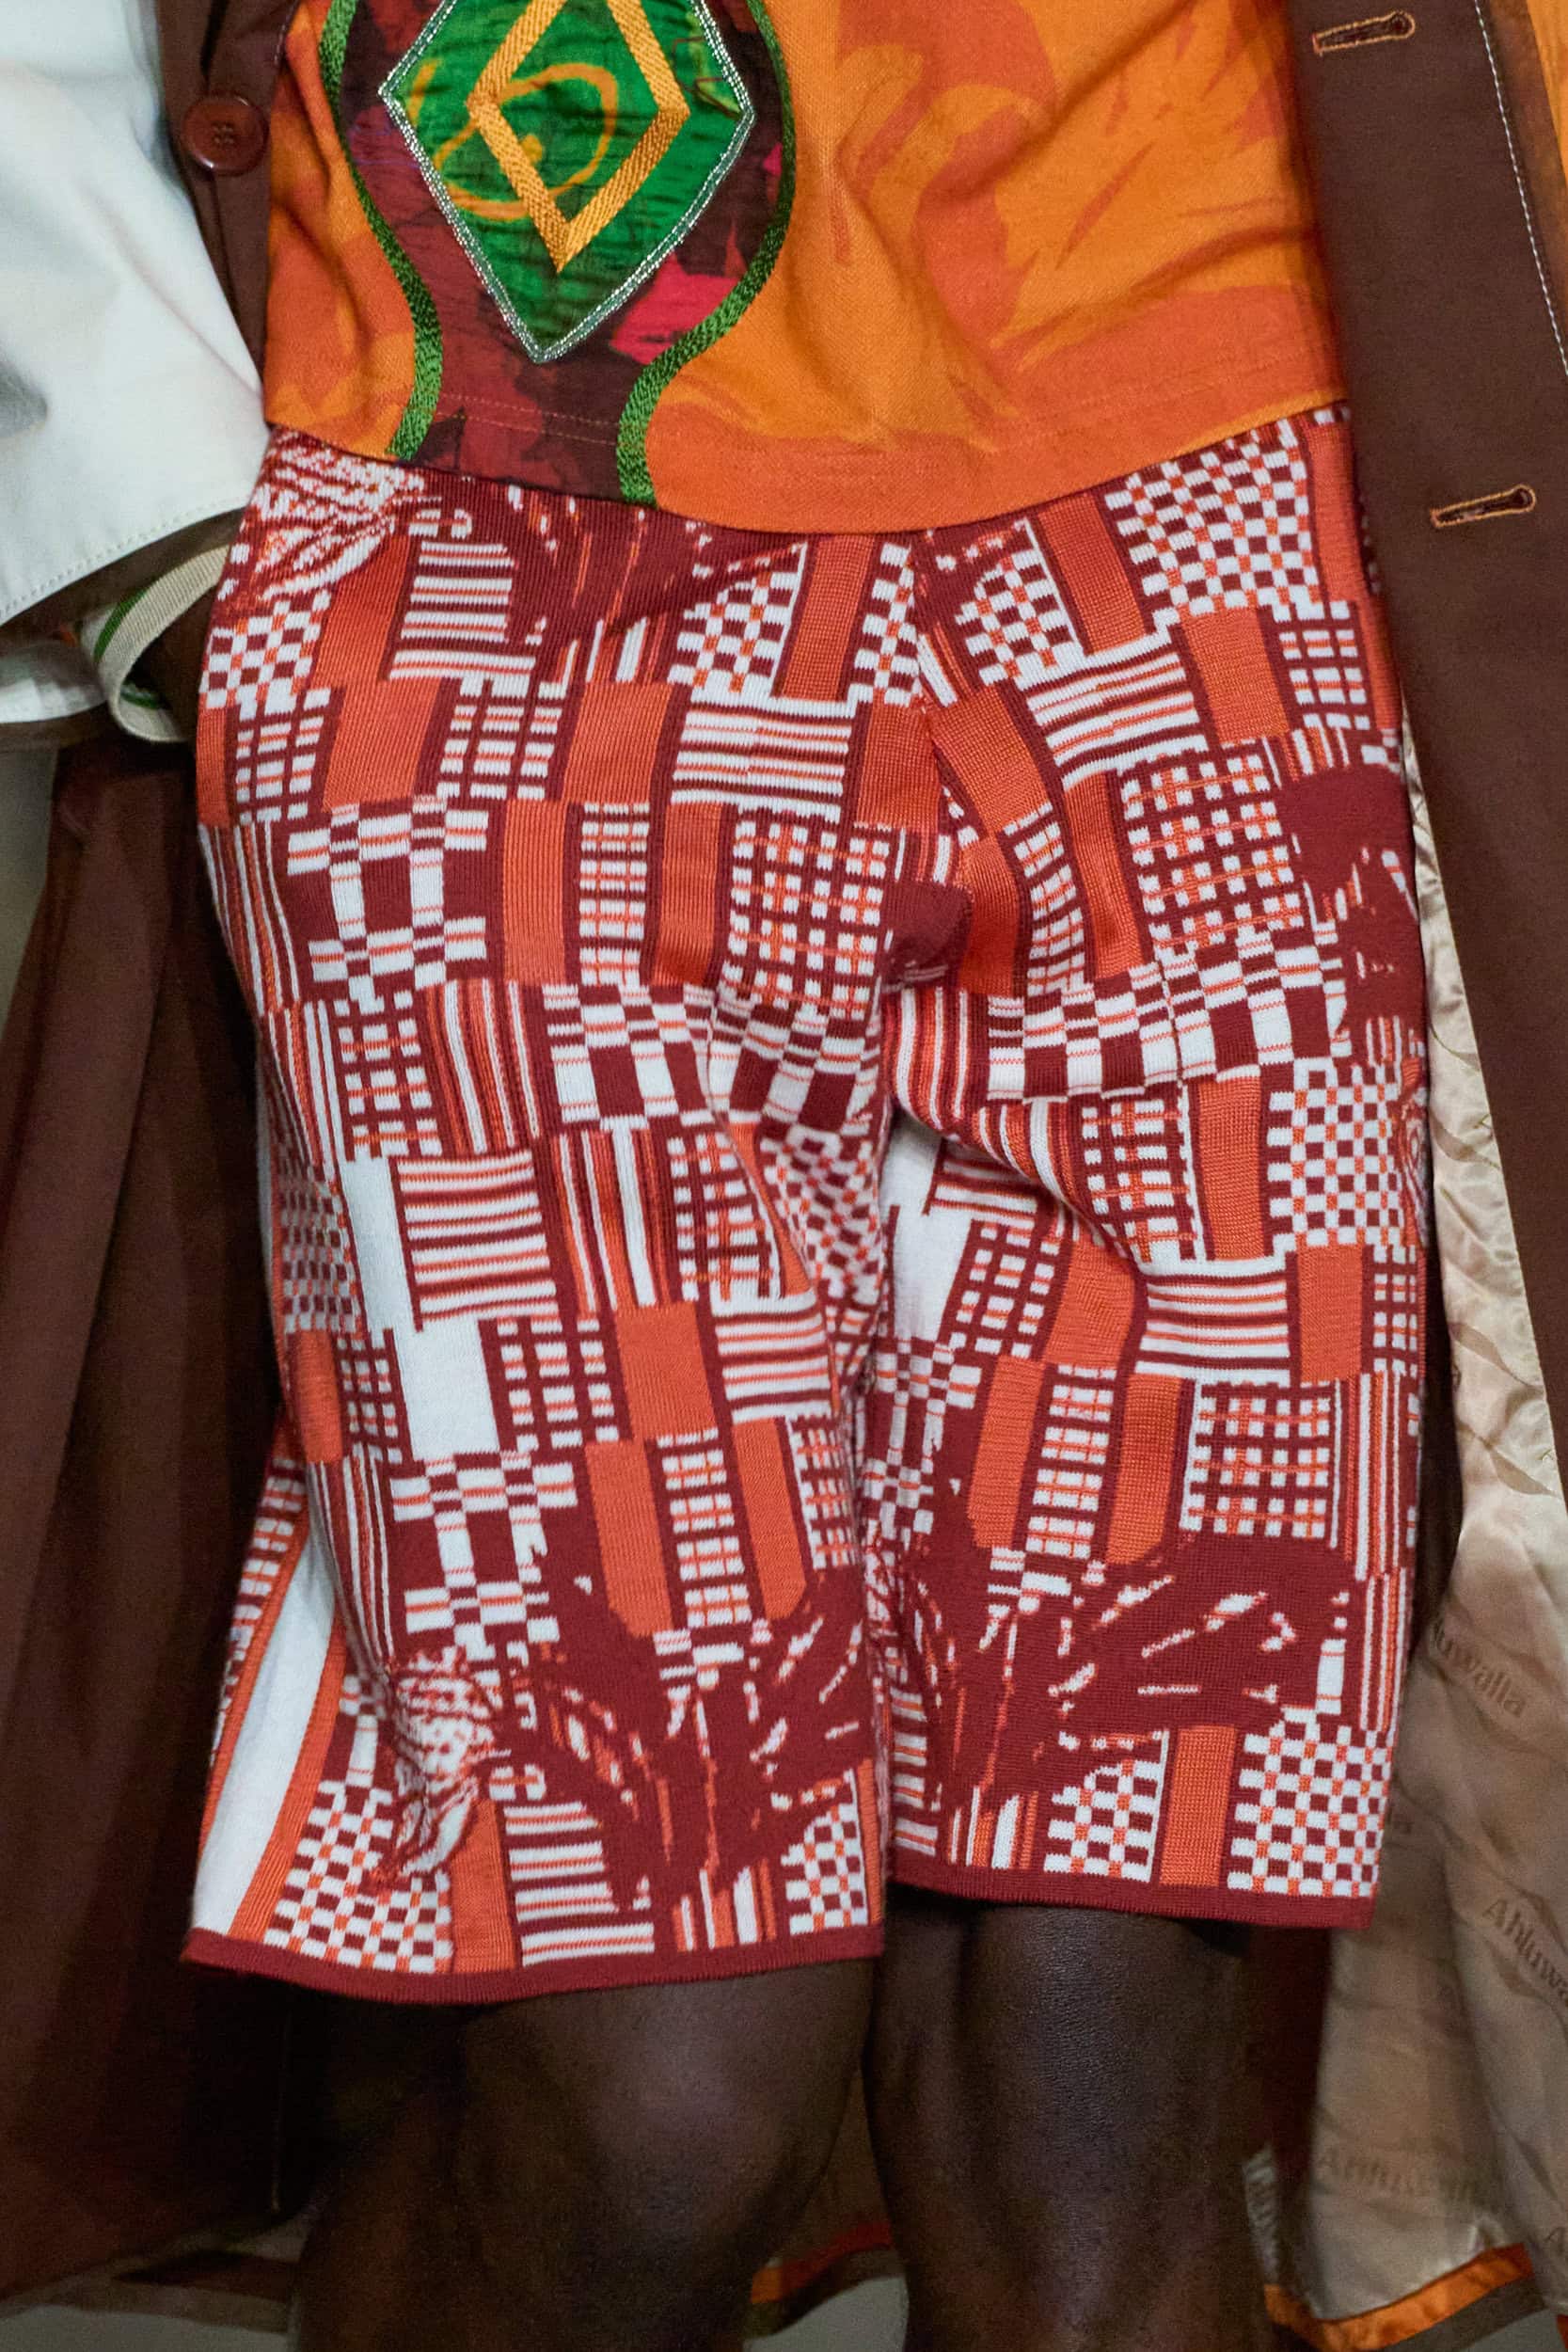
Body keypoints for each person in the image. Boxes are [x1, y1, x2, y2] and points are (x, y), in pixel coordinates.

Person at [2, 5, 1567, 2350]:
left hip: (1214, 525)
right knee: (653, 2078)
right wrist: (155, 517)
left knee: (1093, 2057)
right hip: (501, 519)